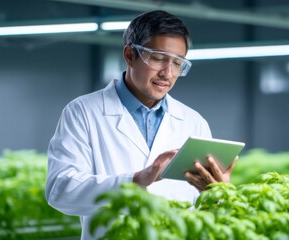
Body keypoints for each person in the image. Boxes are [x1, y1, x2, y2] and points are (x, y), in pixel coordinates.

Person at [45, 10, 237, 239]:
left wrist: (217, 193)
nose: (167, 73)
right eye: (158, 58)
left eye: (177, 63)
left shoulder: (193, 122)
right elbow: (61, 191)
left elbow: (202, 212)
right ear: (129, 55)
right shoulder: (84, 112)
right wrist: (136, 180)